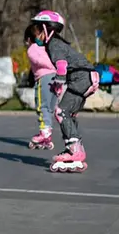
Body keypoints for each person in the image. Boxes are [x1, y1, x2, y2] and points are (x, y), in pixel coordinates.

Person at [29, 11, 99, 169]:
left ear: (47, 29)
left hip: (82, 78)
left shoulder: (53, 44)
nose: (35, 35)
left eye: (37, 31)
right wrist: (58, 84)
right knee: (69, 113)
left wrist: (59, 83)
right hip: (89, 76)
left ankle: (74, 150)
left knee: (60, 112)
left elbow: (61, 66)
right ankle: (76, 148)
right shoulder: (60, 44)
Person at [25, 26, 57, 150]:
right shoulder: (45, 48)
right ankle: (47, 133)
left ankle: (44, 132)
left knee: (42, 105)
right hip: (55, 77)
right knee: (49, 107)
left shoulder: (32, 48)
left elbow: (42, 61)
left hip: (44, 78)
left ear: (28, 40)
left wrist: (52, 66)